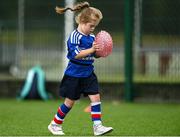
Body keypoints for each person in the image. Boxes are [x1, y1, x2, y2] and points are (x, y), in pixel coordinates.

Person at [48, 1, 113, 136]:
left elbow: (94, 54)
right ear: (82, 21)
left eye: (95, 27)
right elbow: (76, 54)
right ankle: (55, 124)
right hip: (74, 74)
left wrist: (100, 52)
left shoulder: (92, 37)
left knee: (95, 98)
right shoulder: (74, 36)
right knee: (69, 103)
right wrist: (91, 49)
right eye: (91, 26)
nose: (92, 29)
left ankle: (98, 126)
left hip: (88, 73)